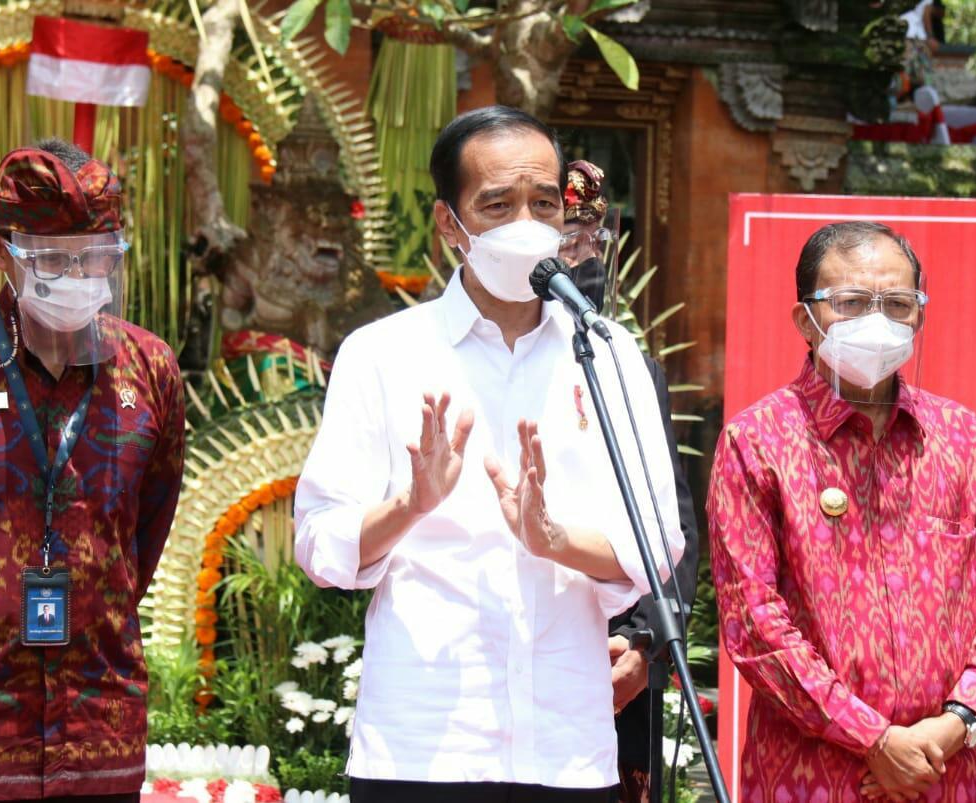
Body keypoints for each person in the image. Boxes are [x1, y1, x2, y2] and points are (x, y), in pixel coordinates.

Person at [294, 105, 686, 803]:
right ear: (451, 224)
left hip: (566, 743)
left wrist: (554, 539)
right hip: (420, 744)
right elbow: (322, 542)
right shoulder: (382, 354)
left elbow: (655, 544)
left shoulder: (606, 354)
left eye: (542, 203)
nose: (526, 224)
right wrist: (408, 506)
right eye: (497, 205)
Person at [0, 138, 186, 801]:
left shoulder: (150, 371)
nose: (79, 278)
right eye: (54, 261)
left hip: (98, 730)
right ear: (0, 252)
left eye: (97, 259)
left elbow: (143, 537)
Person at [707, 221, 976, 801]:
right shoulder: (757, 442)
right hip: (811, 776)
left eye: (897, 304)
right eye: (850, 303)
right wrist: (876, 740)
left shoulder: (959, 437)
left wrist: (952, 726)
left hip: (945, 773)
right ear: (805, 320)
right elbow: (756, 626)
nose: (876, 322)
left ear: (920, 317)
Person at [560, 161, 701, 803]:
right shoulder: (442, 362)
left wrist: (644, 642)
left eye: (593, 240)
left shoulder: (627, 367)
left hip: (617, 661)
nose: (580, 255)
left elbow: (673, 525)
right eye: (565, 237)